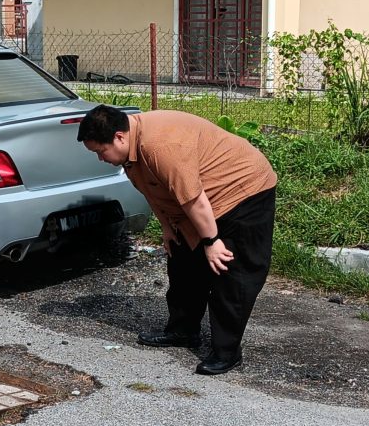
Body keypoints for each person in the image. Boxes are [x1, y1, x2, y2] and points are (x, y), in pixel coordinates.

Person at [77, 105, 277, 375]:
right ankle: (183, 331)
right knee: (183, 262)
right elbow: (151, 188)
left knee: (230, 272)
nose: (100, 158)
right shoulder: (131, 149)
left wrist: (211, 241)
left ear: (119, 137)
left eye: (100, 151)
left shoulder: (161, 147)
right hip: (197, 202)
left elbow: (194, 199)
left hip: (241, 192)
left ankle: (226, 352)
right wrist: (168, 226)